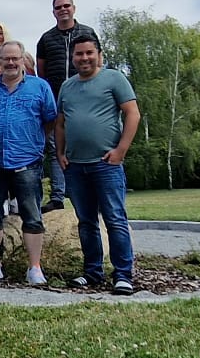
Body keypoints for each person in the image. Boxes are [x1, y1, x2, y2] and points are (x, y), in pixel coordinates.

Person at [57, 34, 140, 294]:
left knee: (115, 219)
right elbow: (60, 123)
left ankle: (123, 274)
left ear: (99, 54)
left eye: (89, 53)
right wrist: (60, 153)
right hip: (75, 166)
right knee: (86, 222)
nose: (84, 58)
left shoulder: (114, 78)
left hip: (106, 164)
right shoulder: (67, 87)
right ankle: (92, 271)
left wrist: (121, 150)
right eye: (79, 54)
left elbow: (132, 113)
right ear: (73, 58)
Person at [0, 40, 58, 286]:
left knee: (32, 215)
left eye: (15, 58)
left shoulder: (40, 87)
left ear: (23, 59)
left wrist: (34, 141)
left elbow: (50, 120)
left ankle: (34, 267)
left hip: (28, 161)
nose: (10, 63)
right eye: (5, 59)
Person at [36, 0, 96, 212]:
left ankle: (89, 192)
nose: (62, 10)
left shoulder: (87, 33)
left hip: (85, 96)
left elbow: (97, 61)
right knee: (54, 147)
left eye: (66, 6)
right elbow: (41, 70)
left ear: (74, 8)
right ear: (53, 12)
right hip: (57, 98)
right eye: (58, 7)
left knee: (86, 142)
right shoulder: (46, 39)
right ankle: (58, 196)